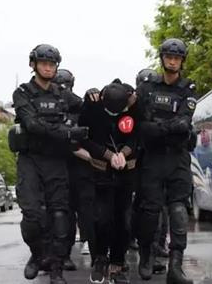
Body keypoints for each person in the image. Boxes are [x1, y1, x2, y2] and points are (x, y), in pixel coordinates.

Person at [10, 44, 86, 284]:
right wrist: (66, 132)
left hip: (56, 161)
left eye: (52, 64)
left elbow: (86, 107)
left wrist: (100, 95)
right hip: (30, 160)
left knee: (60, 215)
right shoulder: (23, 92)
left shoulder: (61, 93)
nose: (47, 67)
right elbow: (33, 125)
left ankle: (56, 269)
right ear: (33, 65)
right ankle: (36, 254)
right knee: (32, 215)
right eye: (43, 63)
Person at [135, 38, 197, 284]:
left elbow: (184, 123)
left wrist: (156, 127)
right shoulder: (148, 87)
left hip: (177, 157)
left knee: (179, 210)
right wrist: (162, 128)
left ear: (182, 61)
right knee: (150, 211)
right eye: (169, 57)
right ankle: (146, 256)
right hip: (152, 158)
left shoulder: (187, 88)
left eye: (177, 58)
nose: (173, 61)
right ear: (162, 59)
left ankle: (176, 266)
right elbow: (139, 124)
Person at [77, 80, 138, 284]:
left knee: (124, 221)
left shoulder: (133, 105)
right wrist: (108, 154)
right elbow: (83, 138)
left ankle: (118, 264)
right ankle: (100, 258)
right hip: (101, 172)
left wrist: (124, 153)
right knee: (102, 219)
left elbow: (138, 137)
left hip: (125, 172)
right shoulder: (92, 106)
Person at [52, 68, 94, 271]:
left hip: (83, 169)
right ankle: (64, 254)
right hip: (61, 166)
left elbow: (93, 134)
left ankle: (92, 247)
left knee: (86, 211)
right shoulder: (53, 108)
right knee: (64, 213)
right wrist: (73, 147)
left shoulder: (81, 107)